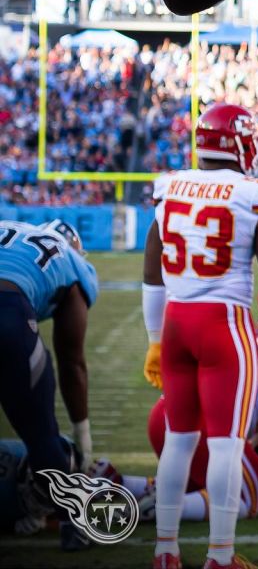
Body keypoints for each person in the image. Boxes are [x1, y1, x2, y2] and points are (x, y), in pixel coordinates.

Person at [143, 103, 258, 569]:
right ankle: (220, 555)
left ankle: (165, 550)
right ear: (241, 143)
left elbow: (151, 272)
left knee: (179, 440)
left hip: (175, 323)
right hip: (223, 326)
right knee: (227, 443)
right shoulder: (254, 192)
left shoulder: (169, 186)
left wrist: (154, 337)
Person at [0, 219, 96, 550]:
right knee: (41, 431)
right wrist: (83, 434)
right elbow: (72, 361)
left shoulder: (11, 227)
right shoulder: (71, 261)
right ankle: (73, 523)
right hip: (7, 309)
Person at [88, 395, 258, 525]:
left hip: (166, 411)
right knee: (246, 499)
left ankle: (117, 483)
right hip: (200, 420)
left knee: (198, 488)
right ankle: (165, 506)